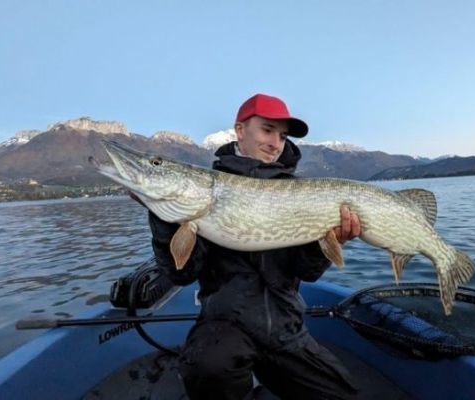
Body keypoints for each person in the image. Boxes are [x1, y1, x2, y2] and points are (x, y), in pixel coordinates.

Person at [148, 93, 362, 400]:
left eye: (282, 135)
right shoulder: (207, 188)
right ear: (239, 130)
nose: (276, 143)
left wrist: (333, 239)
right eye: (267, 130)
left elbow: (307, 271)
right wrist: (165, 217)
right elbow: (182, 274)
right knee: (208, 366)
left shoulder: (299, 190)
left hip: (285, 328)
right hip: (224, 327)